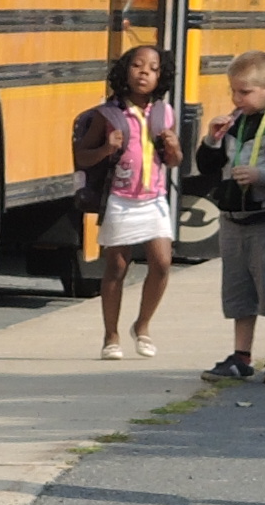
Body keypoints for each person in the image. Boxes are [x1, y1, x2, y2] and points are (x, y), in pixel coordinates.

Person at [193, 52, 265, 383]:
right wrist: (211, 140)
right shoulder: (234, 123)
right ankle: (241, 356)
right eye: (233, 92)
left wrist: (261, 175)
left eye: (244, 92)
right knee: (238, 289)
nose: (236, 99)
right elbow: (207, 168)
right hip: (233, 219)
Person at [71, 44, 182, 359]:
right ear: (124, 71)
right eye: (137, 65)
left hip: (154, 198)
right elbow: (83, 155)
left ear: (162, 77)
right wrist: (107, 149)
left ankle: (142, 325)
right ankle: (111, 336)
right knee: (117, 266)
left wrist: (173, 147)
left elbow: (173, 161)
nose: (144, 72)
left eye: (153, 68)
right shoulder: (107, 115)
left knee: (162, 263)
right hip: (120, 199)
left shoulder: (163, 112)